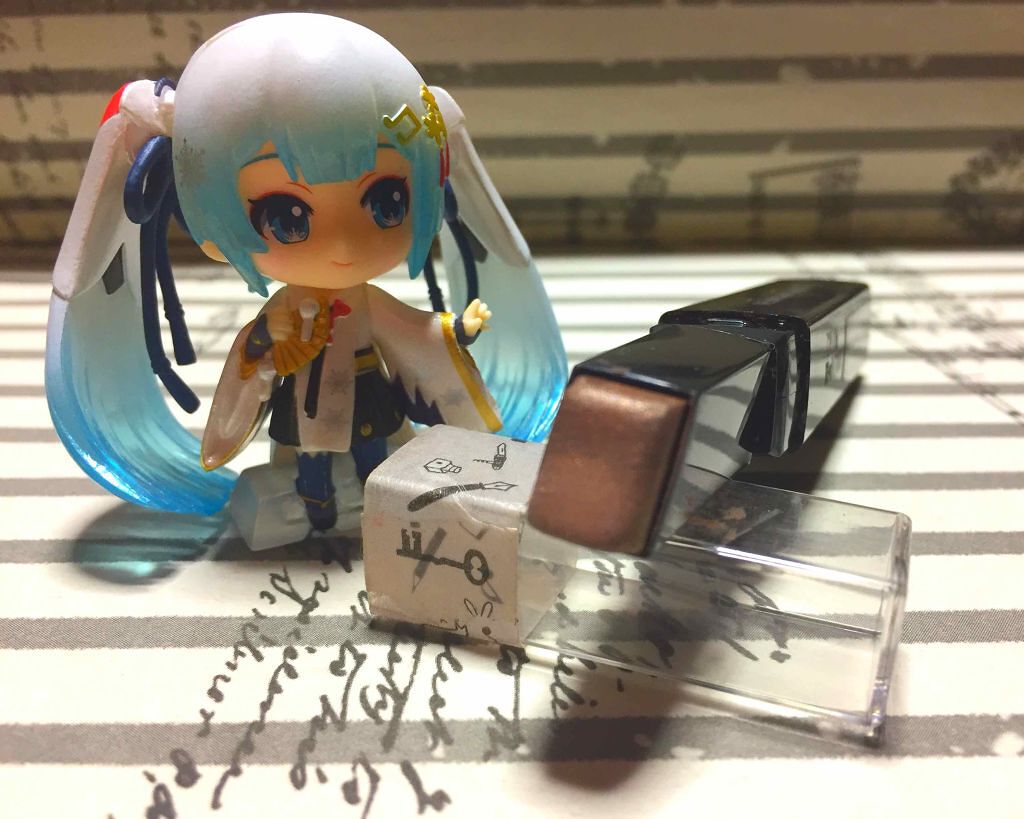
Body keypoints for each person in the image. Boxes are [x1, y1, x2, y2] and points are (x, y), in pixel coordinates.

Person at [46, 14, 566, 528]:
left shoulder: (367, 304)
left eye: (387, 202)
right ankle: (317, 506)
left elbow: (411, 332)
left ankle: (378, 502)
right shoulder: (286, 311)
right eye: (287, 217)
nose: (343, 244)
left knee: (376, 455)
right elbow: (254, 356)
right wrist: (266, 341)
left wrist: (457, 329)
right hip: (307, 400)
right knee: (310, 463)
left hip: (369, 391)